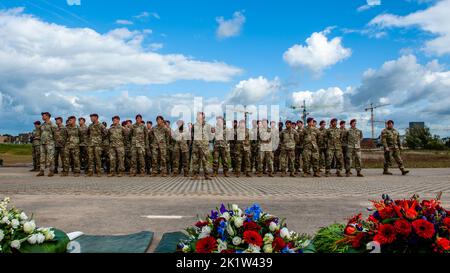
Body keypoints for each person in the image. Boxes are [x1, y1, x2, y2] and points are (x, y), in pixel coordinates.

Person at [191, 112, 213, 180]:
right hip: (196, 146)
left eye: (202, 117)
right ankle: (195, 175)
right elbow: (192, 135)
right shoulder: (194, 126)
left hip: (205, 146)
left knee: (206, 161)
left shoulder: (208, 126)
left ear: (204, 117)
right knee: (195, 161)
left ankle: (207, 175)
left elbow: (210, 135)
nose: (200, 118)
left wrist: (206, 141)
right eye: (199, 117)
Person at [37, 112, 57, 177]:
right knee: (42, 157)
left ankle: (51, 171)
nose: (42, 117)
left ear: (48, 116)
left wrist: (52, 141)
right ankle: (41, 171)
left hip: (50, 143)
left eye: (44, 116)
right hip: (42, 143)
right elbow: (40, 133)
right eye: (42, 116)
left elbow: (55, 134)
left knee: (50, 157)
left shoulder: (52, 124)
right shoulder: (42, 125)